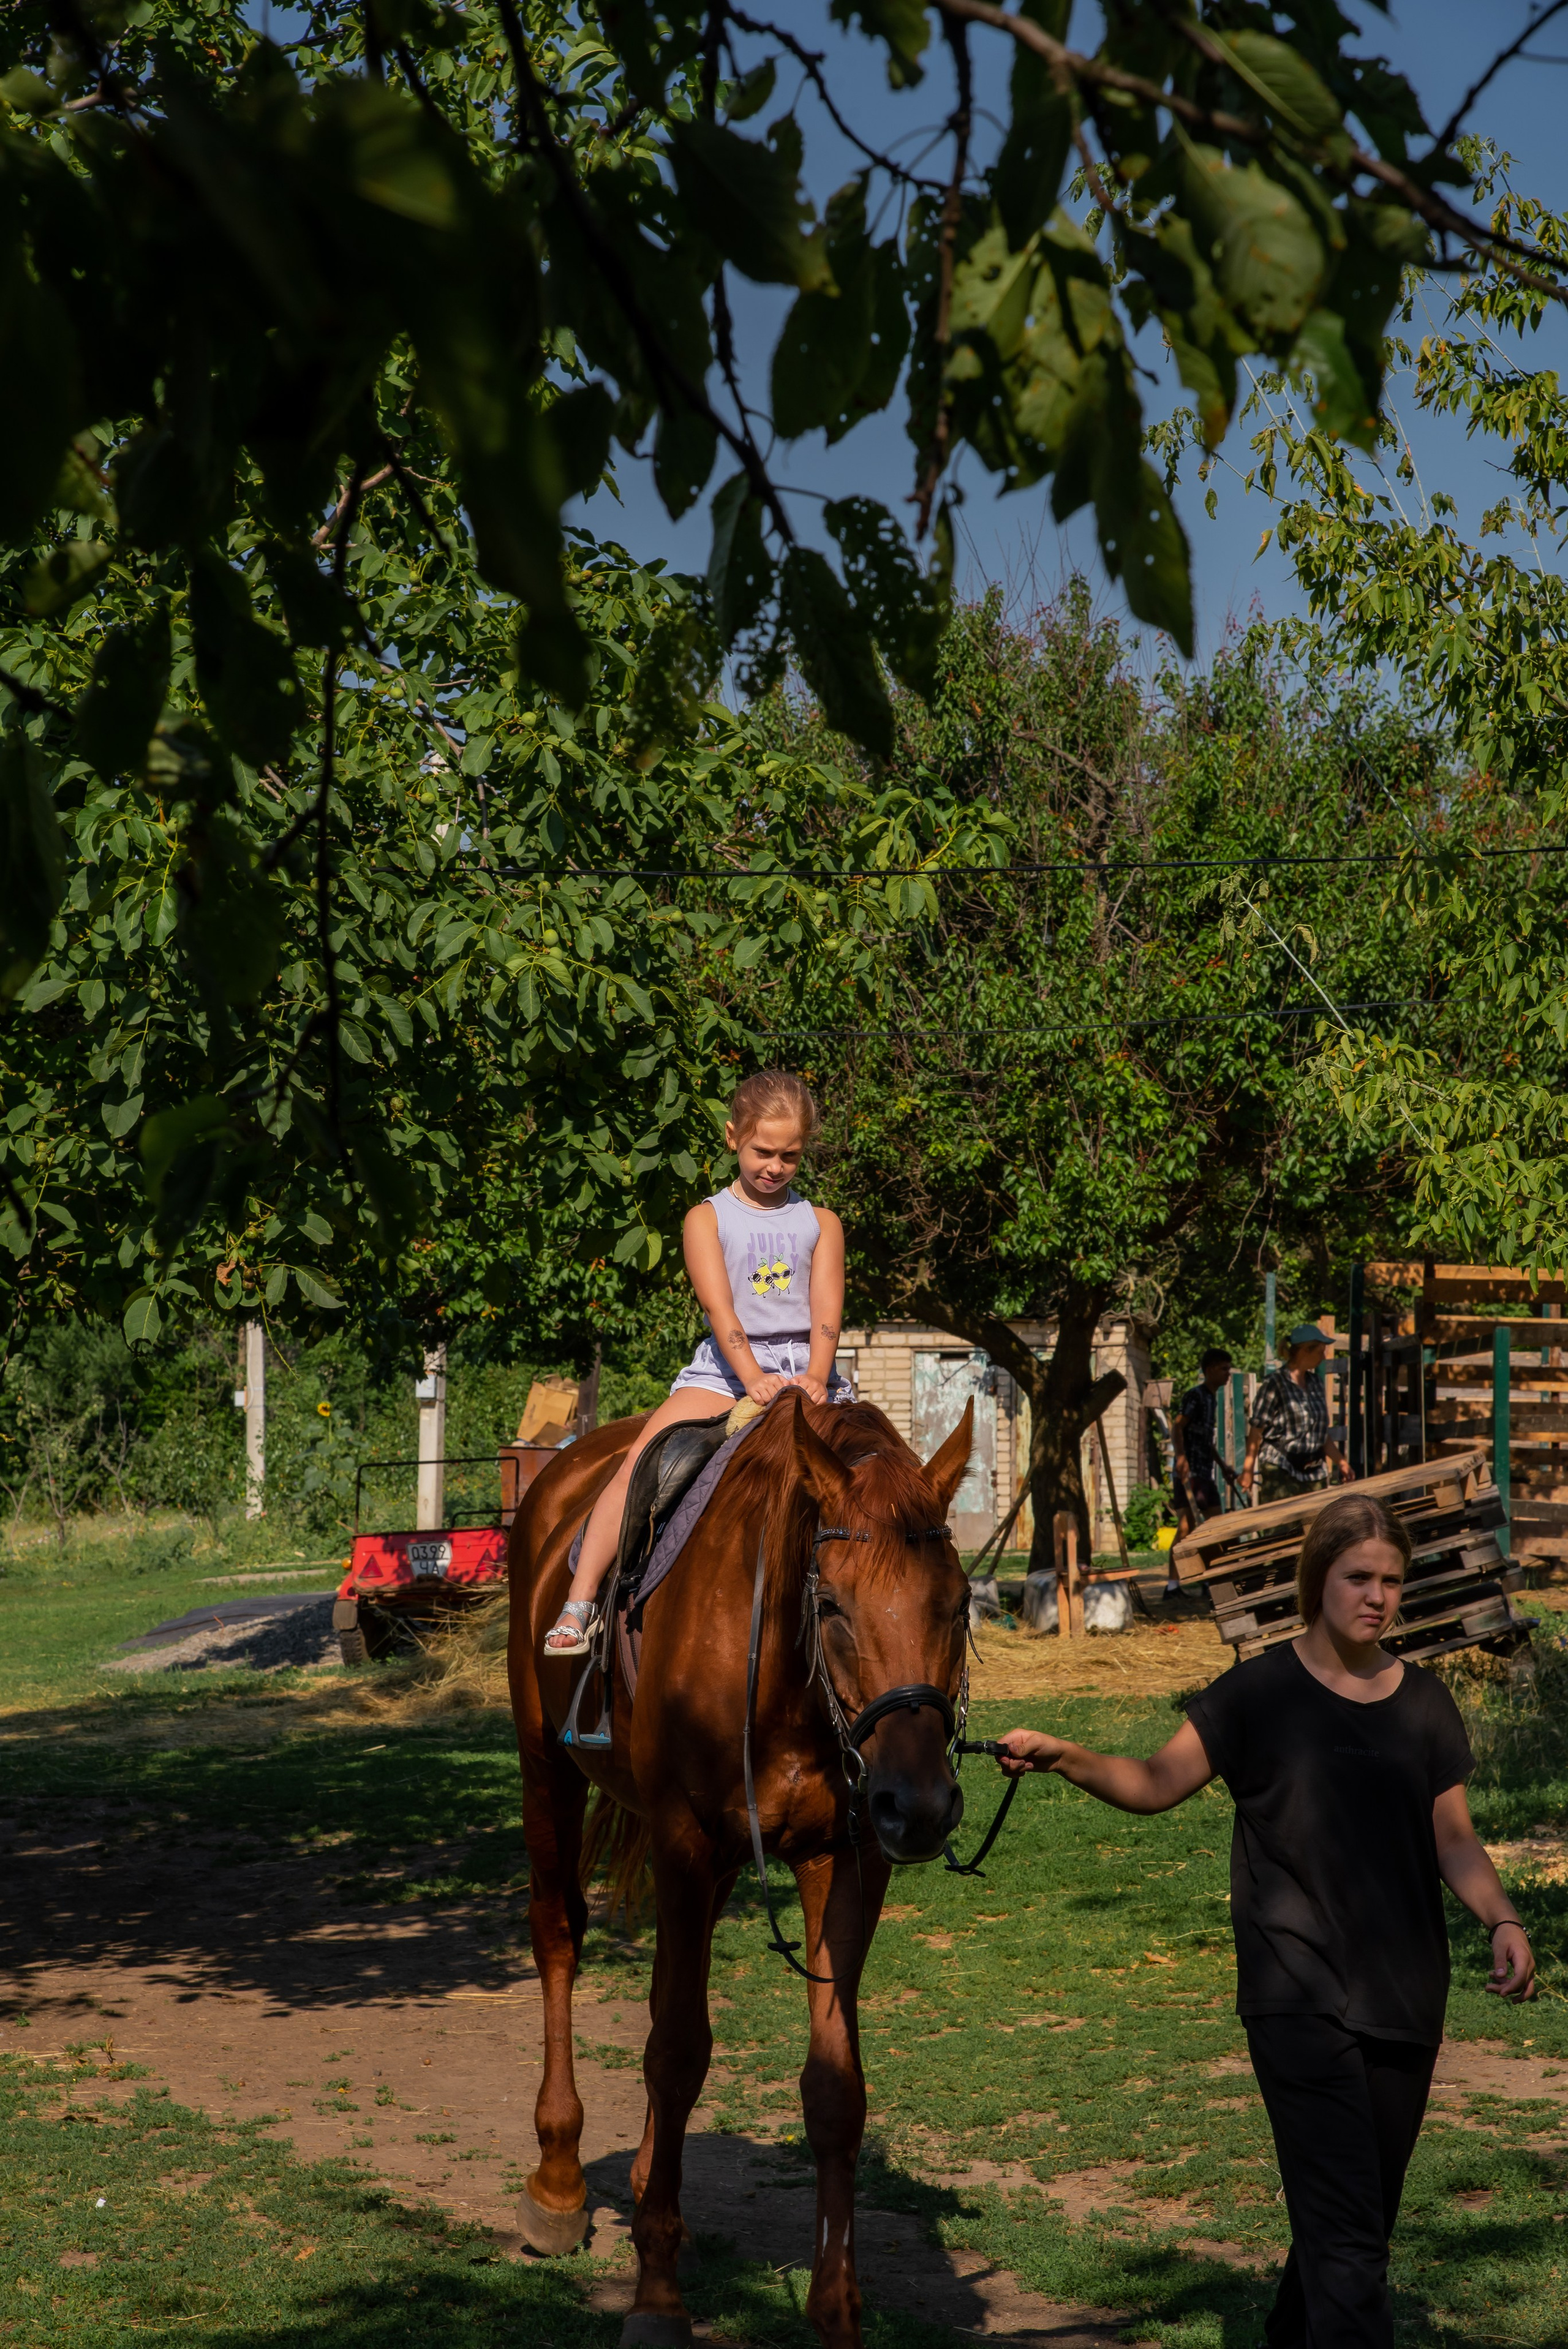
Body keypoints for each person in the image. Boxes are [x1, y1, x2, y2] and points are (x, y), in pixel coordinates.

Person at [993, 1491, 1534, 2349]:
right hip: (1296, 1991)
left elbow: (1455, 1837)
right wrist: (1067, 1755)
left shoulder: (1426, 1703)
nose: (1377, 1595)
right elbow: (1154, 1781)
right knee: (1351, 2244)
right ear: (1319, 1577)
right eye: (1359, 1576)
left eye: (1392, 1580)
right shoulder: (1258, 1693)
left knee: (1349, 2226)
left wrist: (1504, 1917)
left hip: (1406, 1995)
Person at [545, 1068, 846, 1654]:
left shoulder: (821, 1223)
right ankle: (581, 1601)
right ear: (733, 1136)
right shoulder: (706, 1218)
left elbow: (827, 1310)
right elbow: (720, 1308)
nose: (775, 1167)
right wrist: (754, 1379)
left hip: (810, 1370)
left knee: (878, 1472)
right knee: (642, 1462)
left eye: (790, 1155)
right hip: (726, 1372)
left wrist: (816, 1375)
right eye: (763, 1151)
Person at [1241, 1322, 1352, 1507]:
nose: (1324, 1357)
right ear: (1304, 1351)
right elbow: (1256, 1430)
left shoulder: (1315, 1382)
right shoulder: (1274, 1384)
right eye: (1320, 1351)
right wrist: (1247, 1470)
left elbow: (1320, 1434)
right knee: (1283, 1532)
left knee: (1317, 1531)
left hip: (1313, 1471)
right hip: (1281, 1469)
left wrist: (1341, 1462)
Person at [1171, 1346, 1233, 1542]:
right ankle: (1174, 1574)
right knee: (1185, 1529)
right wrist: (1181, 1457)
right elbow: (1177, 1427)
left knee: (1217, 1526)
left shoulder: (1211, 1399)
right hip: (1189, 1473)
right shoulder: (1195, 1396)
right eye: (1224, 1369)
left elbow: (1205, 1441)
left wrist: (1223, 1467)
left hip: (1205, 1474)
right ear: (1210, 1370)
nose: (1228, 1374)